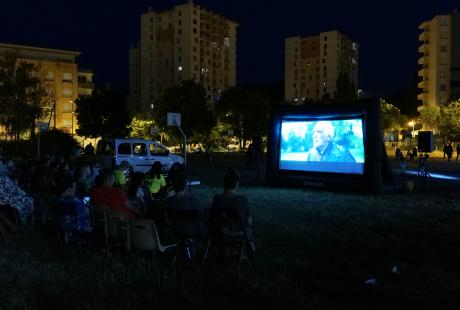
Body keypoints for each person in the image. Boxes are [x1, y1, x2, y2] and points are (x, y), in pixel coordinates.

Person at [210, 168, 255, 252]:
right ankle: (251, 250)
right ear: (237, 184)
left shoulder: (217, 199)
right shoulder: (243, 200)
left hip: (220, 234)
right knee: (248, 230)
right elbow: (249, 222)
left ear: (224, 183)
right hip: (238, 234)